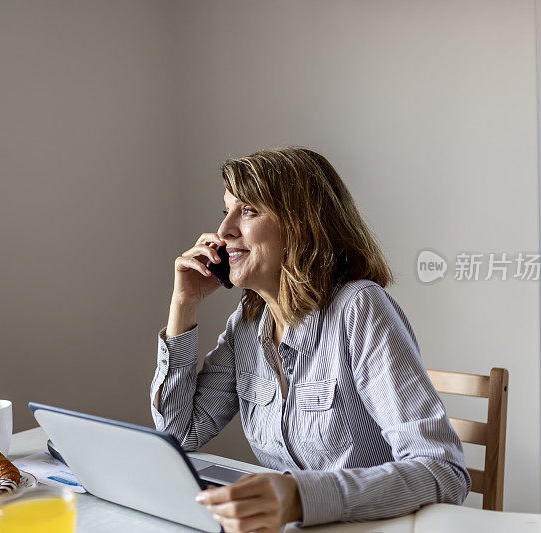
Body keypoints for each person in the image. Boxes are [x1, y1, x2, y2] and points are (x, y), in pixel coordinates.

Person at [150, 146, 470, 532]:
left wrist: (300, 497)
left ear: (301, 225)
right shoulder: (249, 323)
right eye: (226, 211)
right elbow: (179, 434)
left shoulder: (359, 307)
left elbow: (442, 471)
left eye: (248, 210)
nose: (223, 231)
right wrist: (183, 305)